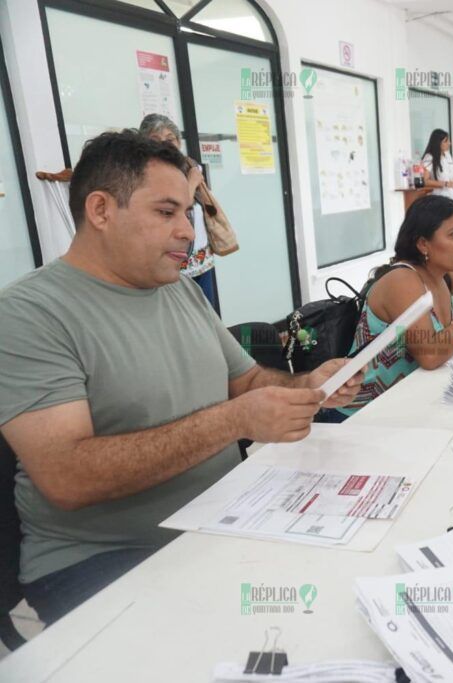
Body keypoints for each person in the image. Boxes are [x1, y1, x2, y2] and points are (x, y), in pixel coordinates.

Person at [0, 131, 363, 625]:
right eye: (166, 212)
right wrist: (233, 422)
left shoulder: (178, 290)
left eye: (188, 213)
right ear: (101, 211)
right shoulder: (29, 315)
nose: (189, 232)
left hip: (224, 516)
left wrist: (311, 385)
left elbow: (246, 382)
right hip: (104, 556)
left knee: (343, 594)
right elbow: (67, 476)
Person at [339, 196, 453, 416]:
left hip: (412, 401)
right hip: (364, 413)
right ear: (423, 244)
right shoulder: (403, 280)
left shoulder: (446, 275)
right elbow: (430, 355)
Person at [138, 113, 220, 309]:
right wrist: (192, 182)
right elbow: (177, 205)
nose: (165, 144)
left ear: (178, 142)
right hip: (174, 260)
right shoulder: (147, 173)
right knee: (185, 314)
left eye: (170, 139)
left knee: (208, 313)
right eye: (155, 139)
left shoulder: (190, 166)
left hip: (202, 257)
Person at [421, 129, 453, 201]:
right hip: (442, 198)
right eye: (446, 141)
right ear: (438, 143)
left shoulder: (447, 155)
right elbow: (425, 181)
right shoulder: (429, 157)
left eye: (448, 141)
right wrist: (445, 184)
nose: (449, 143)